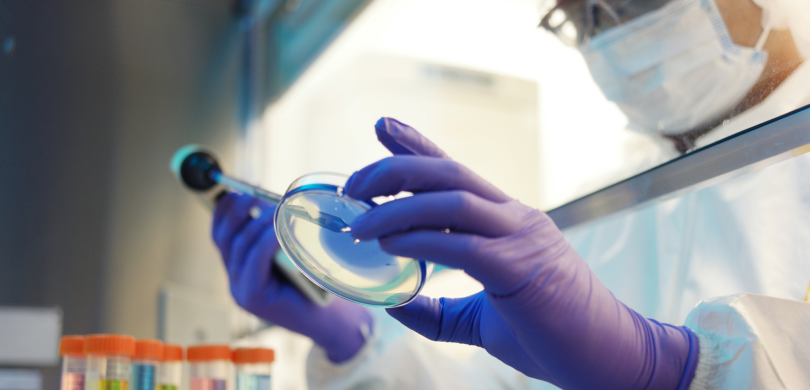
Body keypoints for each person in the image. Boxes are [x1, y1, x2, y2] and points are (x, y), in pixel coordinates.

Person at [212, 0, 810, 388]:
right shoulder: (605, 203)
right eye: (584, 18)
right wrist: (352, 343)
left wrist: (680, 372)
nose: (609, 33)